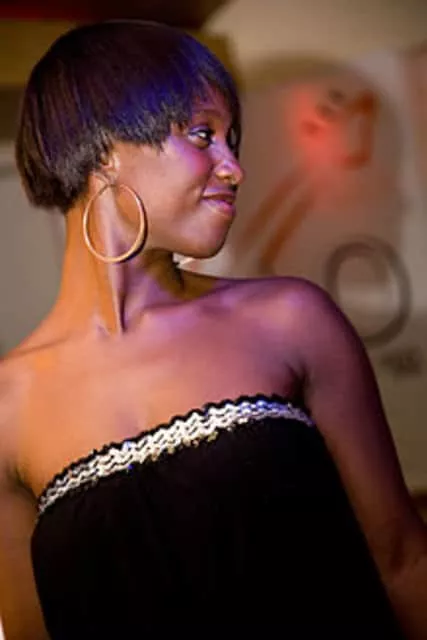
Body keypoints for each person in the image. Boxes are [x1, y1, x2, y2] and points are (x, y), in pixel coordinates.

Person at [0, 19, 426, 640]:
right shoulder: (8, 407)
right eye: (203, 134)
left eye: (233, 141)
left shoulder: (291, 320)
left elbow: (404, 562)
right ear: (107, 146)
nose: (234, 169)